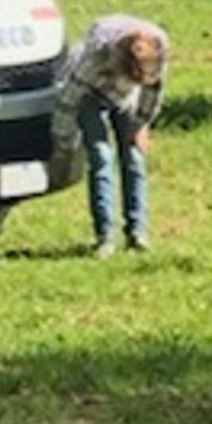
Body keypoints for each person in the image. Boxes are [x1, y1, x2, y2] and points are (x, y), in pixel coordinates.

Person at [58, 13, 168, 256]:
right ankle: (105, 236)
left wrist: (141, 124)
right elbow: (69, 97)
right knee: (101, 157)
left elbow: (154, 90)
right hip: (91, 95)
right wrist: (63, 137)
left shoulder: (158, 47)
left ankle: (137, 232)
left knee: (134, 158)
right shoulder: (96, 55)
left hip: (129, 101)